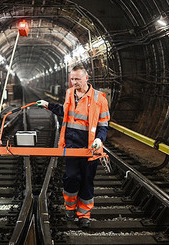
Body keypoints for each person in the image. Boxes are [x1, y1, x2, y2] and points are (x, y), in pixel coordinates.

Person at [37, 65, 110, 228]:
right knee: (71, 177)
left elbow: (104, 125)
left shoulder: (99, 98)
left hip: (89, 148)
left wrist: (99, 139)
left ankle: (84, 214)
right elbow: (65, 112)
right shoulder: (70, 93)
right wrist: (48, 105)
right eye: (72, 79)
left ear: (87, 78)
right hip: (71, 145)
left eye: (77, 79)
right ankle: (70, 208)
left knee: (86, 181)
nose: (74, 82)